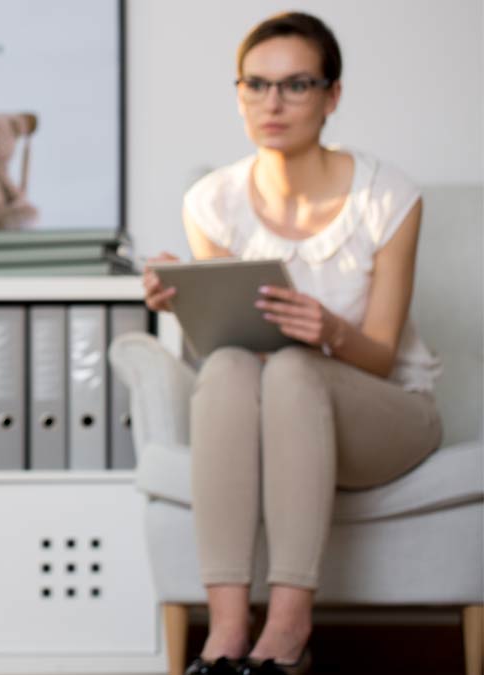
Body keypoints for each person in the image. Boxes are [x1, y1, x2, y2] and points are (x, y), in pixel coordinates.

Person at [142, 12, 443, 675]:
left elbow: (384, 355)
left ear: (332, 96)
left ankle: (287, 628)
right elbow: (234, 356)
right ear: (239, 93)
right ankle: (224, 633)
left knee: (297, 369)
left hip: (387, 414)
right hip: (279, 408)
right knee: (225, 363)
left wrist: (329, 330)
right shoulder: (211, 201)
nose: (272, 103)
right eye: (256, 85)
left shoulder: (388, 195)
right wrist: (184, 303)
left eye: (296, 84)